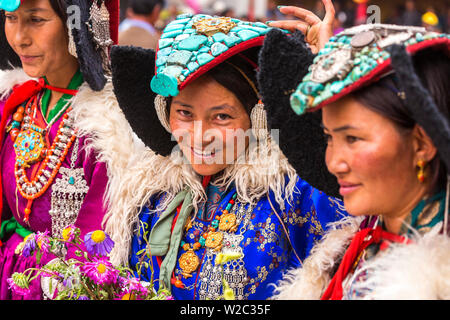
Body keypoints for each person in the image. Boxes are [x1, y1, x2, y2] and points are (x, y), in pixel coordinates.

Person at [108, 1, 347, 300]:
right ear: (164, 113)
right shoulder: (149, 192)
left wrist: (326, 79)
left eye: (221, 117)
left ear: (258, 118)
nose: (199, 136)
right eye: (184, 114)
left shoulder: (294, 194)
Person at [268, 23, 450, 299]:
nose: (333, 163)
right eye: (329, 138)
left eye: (353, 139)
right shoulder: (353, 247)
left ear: (422, 144)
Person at [0, 0, 139, 299]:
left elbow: (99, 247)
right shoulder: (14, 103)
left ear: (76, 25)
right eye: (11, 18)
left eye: (36, 19)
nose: (20, 37)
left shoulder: (110, 128)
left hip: (64, 285)